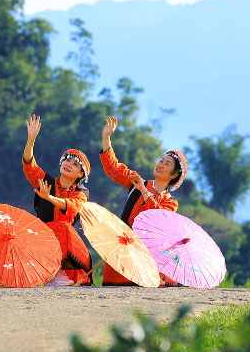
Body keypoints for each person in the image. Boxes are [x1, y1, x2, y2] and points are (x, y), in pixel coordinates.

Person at [99, 116, 187, 286]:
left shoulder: (171, 202)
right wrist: (106, 137)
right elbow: (113, 168)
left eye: (167, 163)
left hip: (149, 250)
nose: (160, 164)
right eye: (161, 160)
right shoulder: (137, 181)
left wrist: (144, 191)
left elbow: (158, 218)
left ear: (174, 174)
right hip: (126, 242)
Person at [22, 114, 93, 286]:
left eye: (75, 164)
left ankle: (57, 272)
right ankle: (51, 273)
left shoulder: (82, 192)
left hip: (67, 242)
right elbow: (29, 165)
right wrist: (31, 140)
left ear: (81, 174)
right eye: (67, 160)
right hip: (41, 237)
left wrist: (49, 198)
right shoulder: (46, 181)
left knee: (64, 227)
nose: (68, 164)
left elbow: (73, 207)